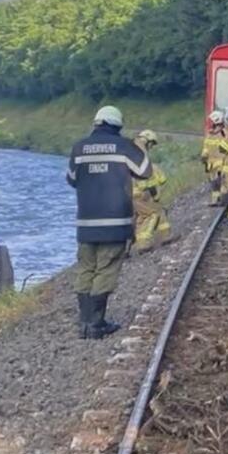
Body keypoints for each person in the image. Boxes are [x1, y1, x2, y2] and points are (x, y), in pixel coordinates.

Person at [67, 105, 150, 340]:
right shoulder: (124, 146)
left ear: (96, 123)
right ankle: (96, 324)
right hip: (116, 223)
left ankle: (83, 323)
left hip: (86, 224)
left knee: (85, 269)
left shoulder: (79, 147)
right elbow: (145, 171)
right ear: (117, 126)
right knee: (106, 269)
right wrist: (140, 146)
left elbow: (72, 180)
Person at [132, 130, 172, 254]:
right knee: (152, 213)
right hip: (138, 193)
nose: (152, 147)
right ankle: (143, 244)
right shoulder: (140, 152)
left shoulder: (134, 149)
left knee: (158, 209)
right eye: (152, 144)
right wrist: (153, 190)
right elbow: (142, 177)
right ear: (147, 140)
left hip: (133, 192)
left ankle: (165, 236)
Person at [201, 111, 228, 206]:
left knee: (218, 183)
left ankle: (221, 200)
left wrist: (204, 159)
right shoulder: (220, 134)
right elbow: (205, 150)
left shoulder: (223, 134)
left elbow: (205, 150)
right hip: (213, 164)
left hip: (219, 164)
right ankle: (216, 200)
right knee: (215, 184)